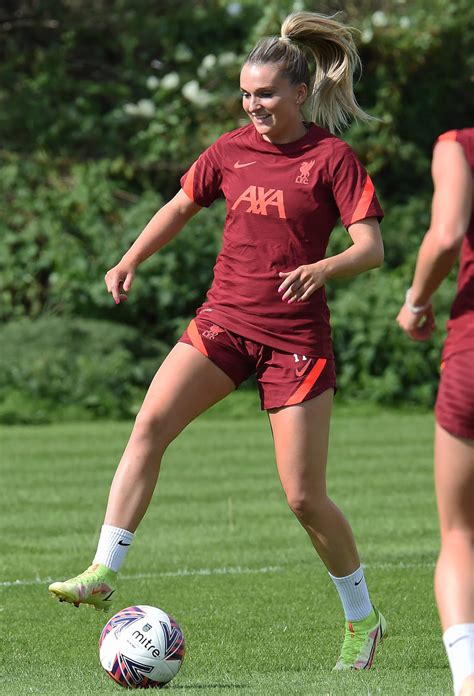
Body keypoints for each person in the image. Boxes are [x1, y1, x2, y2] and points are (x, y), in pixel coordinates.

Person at [49, 11, 387, 671]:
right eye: (246, 93)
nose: (254, 104)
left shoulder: (331, 158)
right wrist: (129, 258)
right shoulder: (229, 150)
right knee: (149, 424)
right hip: (223, 322)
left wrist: (323, 267)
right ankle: (102, 569)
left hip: (295, 341)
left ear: (297, 92)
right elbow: (179, 206)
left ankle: (362, 618)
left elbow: (371, 248)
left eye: (266, 93)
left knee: (303, 496)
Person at [396, 128, 474, 696]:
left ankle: (469, 678)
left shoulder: (458, 143)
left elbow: (446, 235)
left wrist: (416, 302)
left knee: (459, 531)